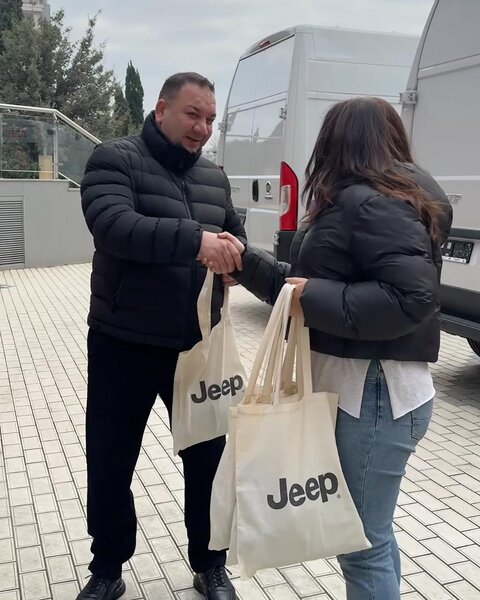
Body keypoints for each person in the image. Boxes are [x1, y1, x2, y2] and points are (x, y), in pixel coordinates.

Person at [219, 97, 452, 599]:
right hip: (366, 392)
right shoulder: (362, 200)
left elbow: (412, 296)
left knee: (362, 543)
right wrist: (247, 265)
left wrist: (312, 294)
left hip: (375, 394)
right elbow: (313, 284)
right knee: (371, 537)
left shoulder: (371, 203)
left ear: (338, 143)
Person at [77, 72, 245, 600]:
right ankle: (107, 568)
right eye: (193, 114)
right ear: (161, 110)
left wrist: (237, 255)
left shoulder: (215, 177)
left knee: (209, 462)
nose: (202, 127)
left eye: (210, 119)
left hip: (198, 348)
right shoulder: (114, 159)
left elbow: (234, 232)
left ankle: (210, 565)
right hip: (122, 341)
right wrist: (196, 241)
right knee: (110, 459)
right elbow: (113, 225)